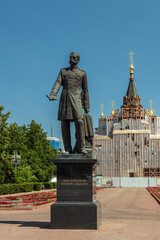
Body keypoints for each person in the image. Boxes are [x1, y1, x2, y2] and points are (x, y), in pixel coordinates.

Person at [46, 52, 90, 154]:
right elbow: (58, 82)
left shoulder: (82, 73)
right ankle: (68, 149)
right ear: (69, 59)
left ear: (78, 59)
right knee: (64, 123)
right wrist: (53, 93)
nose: (73, 58)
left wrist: (87, 106)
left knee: (79, 121)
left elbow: (86, 90)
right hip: (65, 98)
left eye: (75, 57)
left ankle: (82, 147)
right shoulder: (63, 71)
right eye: (71, 57)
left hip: (76, 98)